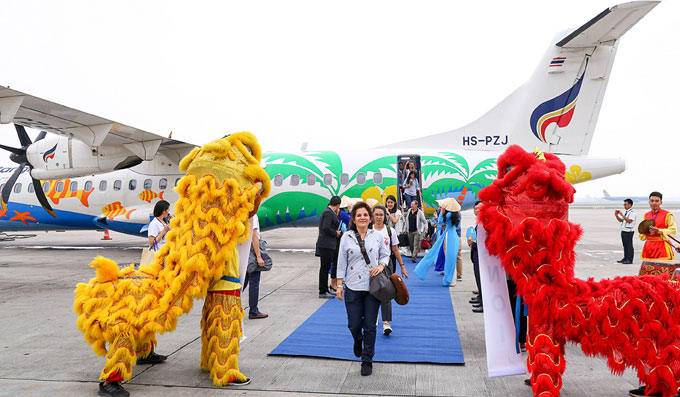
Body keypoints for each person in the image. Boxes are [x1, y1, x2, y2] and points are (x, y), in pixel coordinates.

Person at [336, 201, 390, 376]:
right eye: (359, 215)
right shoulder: (347, 237)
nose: (362, 217)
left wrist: (381, 266)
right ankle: (357, 340)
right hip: (352, 286)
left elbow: (385, 254)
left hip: (372, 286)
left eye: (365, 214)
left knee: (370, 325)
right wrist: (339, 285)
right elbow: (341, 262)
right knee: (353, 324)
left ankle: (367, 359)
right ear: (354, 218)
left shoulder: (377, 236)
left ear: (370, 218)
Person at [372, 205, 407, 335]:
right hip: (371, 267)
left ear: (385, 216)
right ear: (373, 216)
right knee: (372, 292)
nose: (379, 217)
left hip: (386, 266)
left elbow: (395, 249)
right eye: (376, 214)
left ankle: (386, 323)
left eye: (381, 214)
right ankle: (374, 315)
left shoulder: (389, 231)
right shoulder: (369, 230)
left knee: (386, 293)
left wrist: (402, 266)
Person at [243, 214, 268, 319]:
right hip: (252, 252)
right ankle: (253, 311)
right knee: (254, 283)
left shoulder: (241, 213)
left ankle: (229, 305)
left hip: (243, 252)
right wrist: (259, 256)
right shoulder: (252, 216)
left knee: (242, 282)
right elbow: (254, 236)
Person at [316, 196, 342, 298]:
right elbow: (326, 227)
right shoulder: (328, 213)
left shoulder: (328, 212)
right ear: (338, 205)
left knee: (325, 268)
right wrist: (336, 233)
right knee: (324, 268)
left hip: (327, 244)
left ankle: (325, 289)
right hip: (326, 244)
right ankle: (322, 291)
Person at [639, 191, 676, 260]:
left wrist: (659, 230)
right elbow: (642, 233)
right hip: (648, 247)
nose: (654, 203)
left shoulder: (667, 215)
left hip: (662, 247)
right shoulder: (646, 215)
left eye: (657, 201)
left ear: (661, 202)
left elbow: (673, 230)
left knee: (663, 270)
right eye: (652, 201)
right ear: (649, 202)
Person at [469, 201, 483, 313]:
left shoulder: (483, 223)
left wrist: (473, 243)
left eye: (478, 208)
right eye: (475, 208)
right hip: (475, 254)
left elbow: (482, 241)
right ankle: (480, 298)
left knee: (481, 279)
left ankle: (483, 302)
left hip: (480, 255)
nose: (476, 210)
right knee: (477, 277)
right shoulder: (479, 222)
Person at [614, 198, 637, 264]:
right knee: (625, 245)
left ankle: (630, 259)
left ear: (630, 205)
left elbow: (629, 221)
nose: (624, 206)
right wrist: (617, 216)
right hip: (624, 231)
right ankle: (625, 258)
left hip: (629, 231)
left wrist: (622, 215)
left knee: (629, 246)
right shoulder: (626, 212)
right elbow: (621, 220)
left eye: (625, 204)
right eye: (624, 204)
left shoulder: (632, 213)